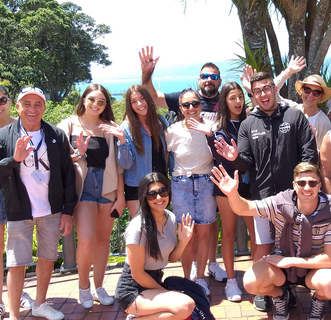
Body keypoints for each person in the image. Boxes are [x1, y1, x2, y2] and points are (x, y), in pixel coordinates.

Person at [215, 71, 318, 311]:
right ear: (253, 95)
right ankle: (262, 288)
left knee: (291, 245)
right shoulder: (248, 124)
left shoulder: (294, 116)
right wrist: (234, 159)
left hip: (293, 197)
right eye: (258, 90)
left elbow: (308, 153)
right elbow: (246, 163)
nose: (263, 94)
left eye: (267, 88)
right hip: (262, 197)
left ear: (274, 89)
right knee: (262, 244)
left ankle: (289, 287)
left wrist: (303, 186)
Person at [139, 46, 227, 282]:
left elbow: (242, 115)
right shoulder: (182, 103)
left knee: (208, 228)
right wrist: (146, 73)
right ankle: (193, 278)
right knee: (188, 232)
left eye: (214, 76)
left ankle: (211, 264)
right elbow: (151, 97)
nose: (191, 108)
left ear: (219, 81)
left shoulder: (223, 102)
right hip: (182, 182)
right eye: (205, 76)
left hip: (211, 179)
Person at [211, 162, 331, 320]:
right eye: (301, 183)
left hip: (315, 265)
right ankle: (280, 296)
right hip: (283, 264)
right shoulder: (280, 203)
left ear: (319, 185)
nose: (307, 188)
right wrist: (232, 194)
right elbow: (244, 208)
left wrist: (291, 261)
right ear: (294, 185)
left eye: (312, 183)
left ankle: (319, 300)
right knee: (251, 282)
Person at [0, 86, 77, 320]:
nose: (32, 109)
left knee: (48, 257)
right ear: (18, 107)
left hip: (50, 209)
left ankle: (40, 304)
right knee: (16, 263)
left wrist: (67, 211)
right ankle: (14, 314)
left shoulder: (55, 135)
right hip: (18, 209)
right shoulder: (4, 135)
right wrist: (14, 159)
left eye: (37, 104)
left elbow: (67, 174)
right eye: (27, 104)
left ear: (44, 107)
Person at [58, 84, 125, 309]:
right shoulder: (69, 124)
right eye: (92, 99)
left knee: (103, 241)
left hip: (107, 187)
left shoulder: (108, 127)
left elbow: (118, 165)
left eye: (101, 101)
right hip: (82, 187)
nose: (96, 104)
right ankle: (83, 286)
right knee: (86, 239)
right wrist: (77, 154)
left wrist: (121, 195)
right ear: (83, 100)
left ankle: (99, 287)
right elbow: (56, 153)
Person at [189, 82, 256, 301]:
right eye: (232, 98)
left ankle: (257, 280)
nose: (237, 102)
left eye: (240, 97)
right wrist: (210, 136)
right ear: (224, 102)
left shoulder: (252, 123)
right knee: (227, 234)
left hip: (250, 187)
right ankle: (231, 281)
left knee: (255, 236)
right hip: (225, 184)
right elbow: (219, 158)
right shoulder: (218, 128)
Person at [115, 172, 196, 319]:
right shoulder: (138, 228)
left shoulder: (170, 217)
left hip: (154, 283)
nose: (159, 197)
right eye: (152, 194)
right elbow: (137, 274)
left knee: (187, 303)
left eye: (163, 191)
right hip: (133, 290)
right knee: (185, 306)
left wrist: (184, 241)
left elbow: (171, 258)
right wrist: (165, 293)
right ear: (145, 198)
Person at [165, 89, 217, 295]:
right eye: (186, 105)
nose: (191, 108)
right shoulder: (172, 131)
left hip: (206, 182)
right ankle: (188, 280)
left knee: (203, 235)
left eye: (195, 103)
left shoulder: (211, 127)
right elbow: (161, 155)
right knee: (186, 237)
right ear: (180, 109)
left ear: (200, 105)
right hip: (181, 184)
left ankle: (201, 279)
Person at [100, 85, 168, 217]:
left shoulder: (161, 122)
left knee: (160, 229)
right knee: (141, 231)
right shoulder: (126, 128)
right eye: (134, 101)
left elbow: (166, 154)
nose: (139, 104)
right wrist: (122, 141)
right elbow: (126, 164)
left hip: (160, 185)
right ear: (129, 105)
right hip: (137, 186)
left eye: (142, 99)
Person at [0, 86, 35, 316]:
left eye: (2, 99)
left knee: (18, 247)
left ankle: (16, 293)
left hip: (19, 191)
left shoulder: (19, 125)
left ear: (11, 101)